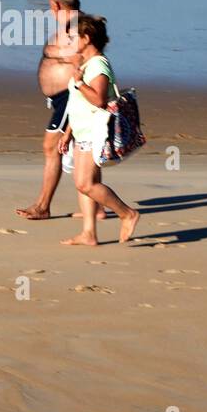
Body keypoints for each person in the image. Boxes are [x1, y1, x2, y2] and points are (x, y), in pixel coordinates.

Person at [57, 14, 139, 246]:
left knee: (86, 184)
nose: (70, 41)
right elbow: (78, 103)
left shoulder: (98, 65)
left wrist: (80, 83)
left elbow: (99, 100)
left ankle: (127, 213)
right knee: (82, 184)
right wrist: (69, 131)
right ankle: (88, 233)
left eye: (73, 37)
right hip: (82, 131)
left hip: (96, 132)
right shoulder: (85, 64)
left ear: (86, 38)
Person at [15, 0, 88, 221]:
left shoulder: (79, 30)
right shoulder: (72, 26)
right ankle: (94, 208)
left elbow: (90, 64)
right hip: (61, 99)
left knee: (51, 147)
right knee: (78, 151)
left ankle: (43, 205)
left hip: (70, 98)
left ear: (55, 4)